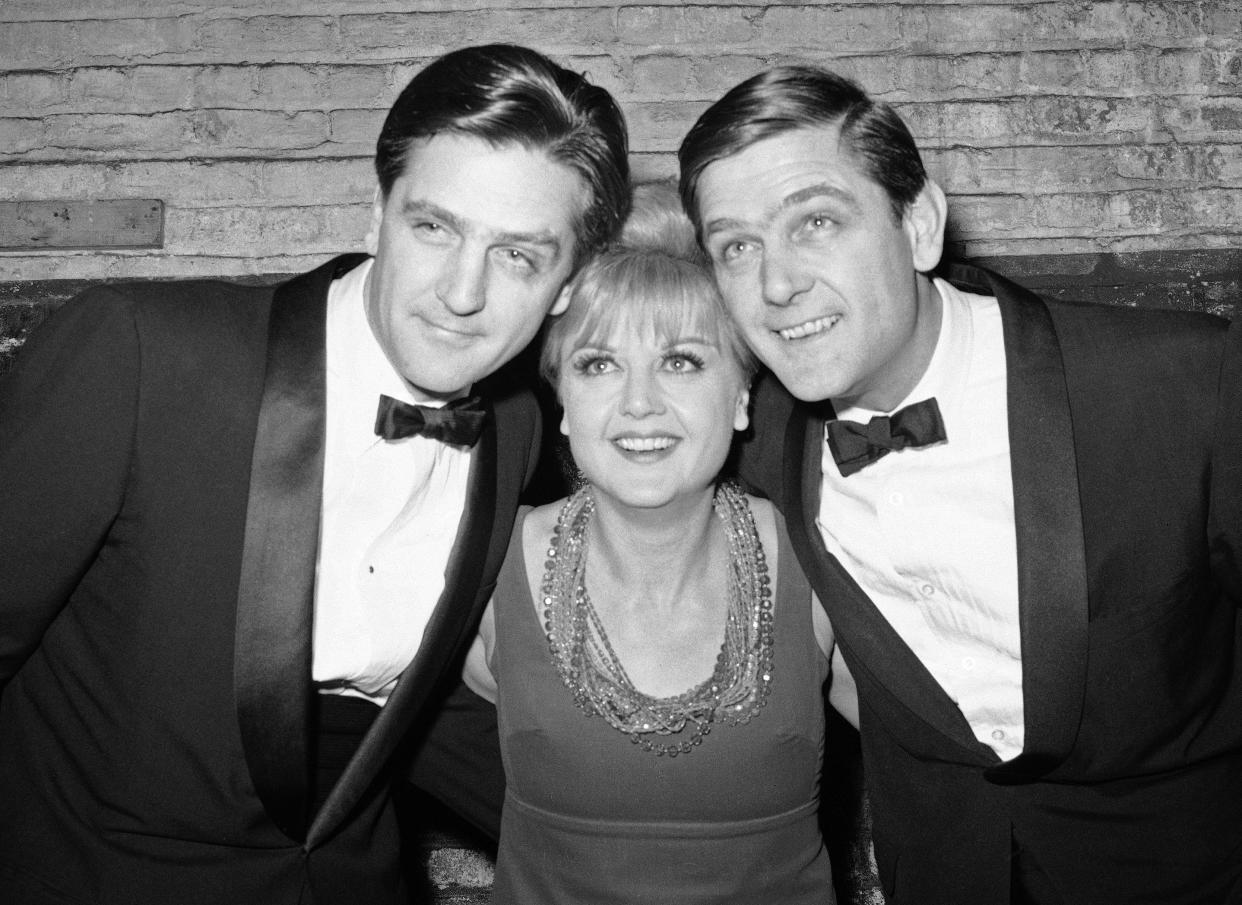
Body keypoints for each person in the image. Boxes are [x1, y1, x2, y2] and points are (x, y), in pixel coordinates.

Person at [0, 44, 628, 905]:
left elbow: (414, 704)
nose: (461, 291)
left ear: (566, 286)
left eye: (520, 256)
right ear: (375, 214)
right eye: (433, 226)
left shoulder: (515, 426)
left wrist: (643, 848)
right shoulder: (142, 355)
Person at [678, 65, 1242, 905]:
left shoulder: (1185, 386)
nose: (776, 284)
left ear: (920, 226)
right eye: (736, 246)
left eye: (817, 221)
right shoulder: (756, 448)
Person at [462, 182, 858, 905]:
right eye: (598, 364)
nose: (639, 402)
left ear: (742, 395)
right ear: (561, 402)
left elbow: (947, 762)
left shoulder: (827, 558)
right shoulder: (484, 565)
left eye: (680, 361)